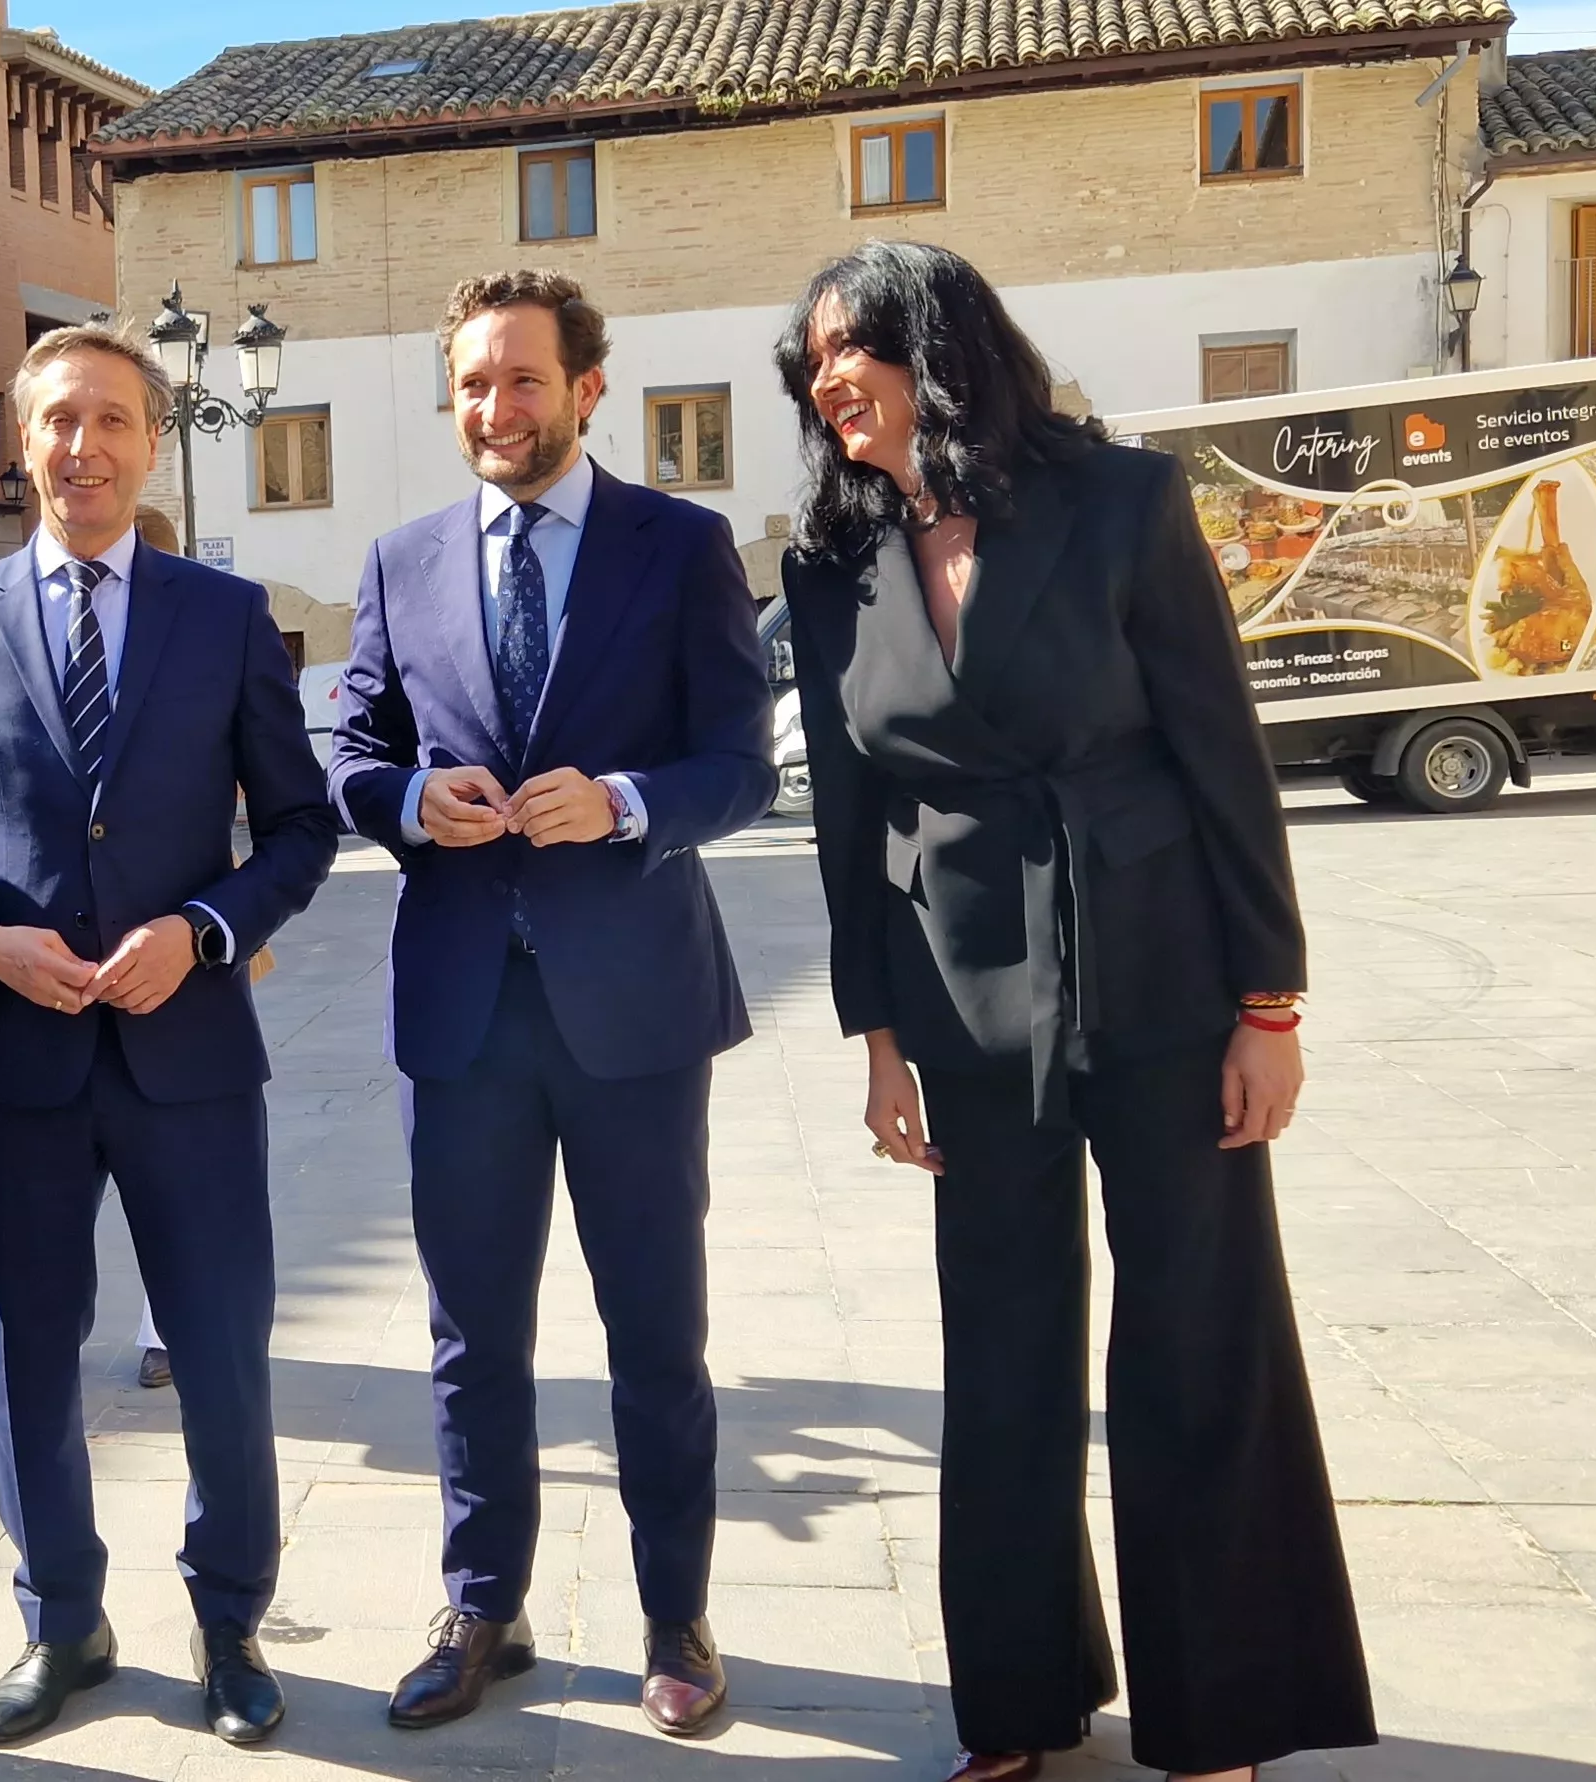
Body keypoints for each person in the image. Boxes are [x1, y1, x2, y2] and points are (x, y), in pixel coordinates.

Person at [777, 241, 1371, 1782]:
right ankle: (1020, 1705)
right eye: (812, 358)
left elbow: (1220, 753)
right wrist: (874, 1033)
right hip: (960, 1002)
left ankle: (1218, 1716)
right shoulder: (828, 559)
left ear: (938, 345)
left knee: (1194, 1342)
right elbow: (851, 821)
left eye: (853, 345)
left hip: (1166, 978)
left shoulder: (1121, 501)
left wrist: (1270, 999)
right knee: (1004, 1352)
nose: (827, 375)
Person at [0, 324, 339, 1750]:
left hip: (186, 1052)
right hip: (20, 1059)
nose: (82, 448)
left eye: (111, 423)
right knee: (26, 1353)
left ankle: (229, 1621)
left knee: (217, 1347)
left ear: (152, 443)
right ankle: (60, 1620)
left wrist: (200, 928)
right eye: (57, 422)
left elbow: (302, 821)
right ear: (20, 443)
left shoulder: (221, 614)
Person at [331, 273, 775, 1740]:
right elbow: (349, 748)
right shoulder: (397, 561)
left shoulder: (681, 544)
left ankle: (675, 1614)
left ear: (587, 388)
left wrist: (626, 800)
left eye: (521, 381)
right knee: (472, 1332)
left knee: (655, 1326)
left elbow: (740, 760)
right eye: (469, 384)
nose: (492, 410)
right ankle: (483, 1603)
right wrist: (404, 796)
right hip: (462, 1010)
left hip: (633, 1008)